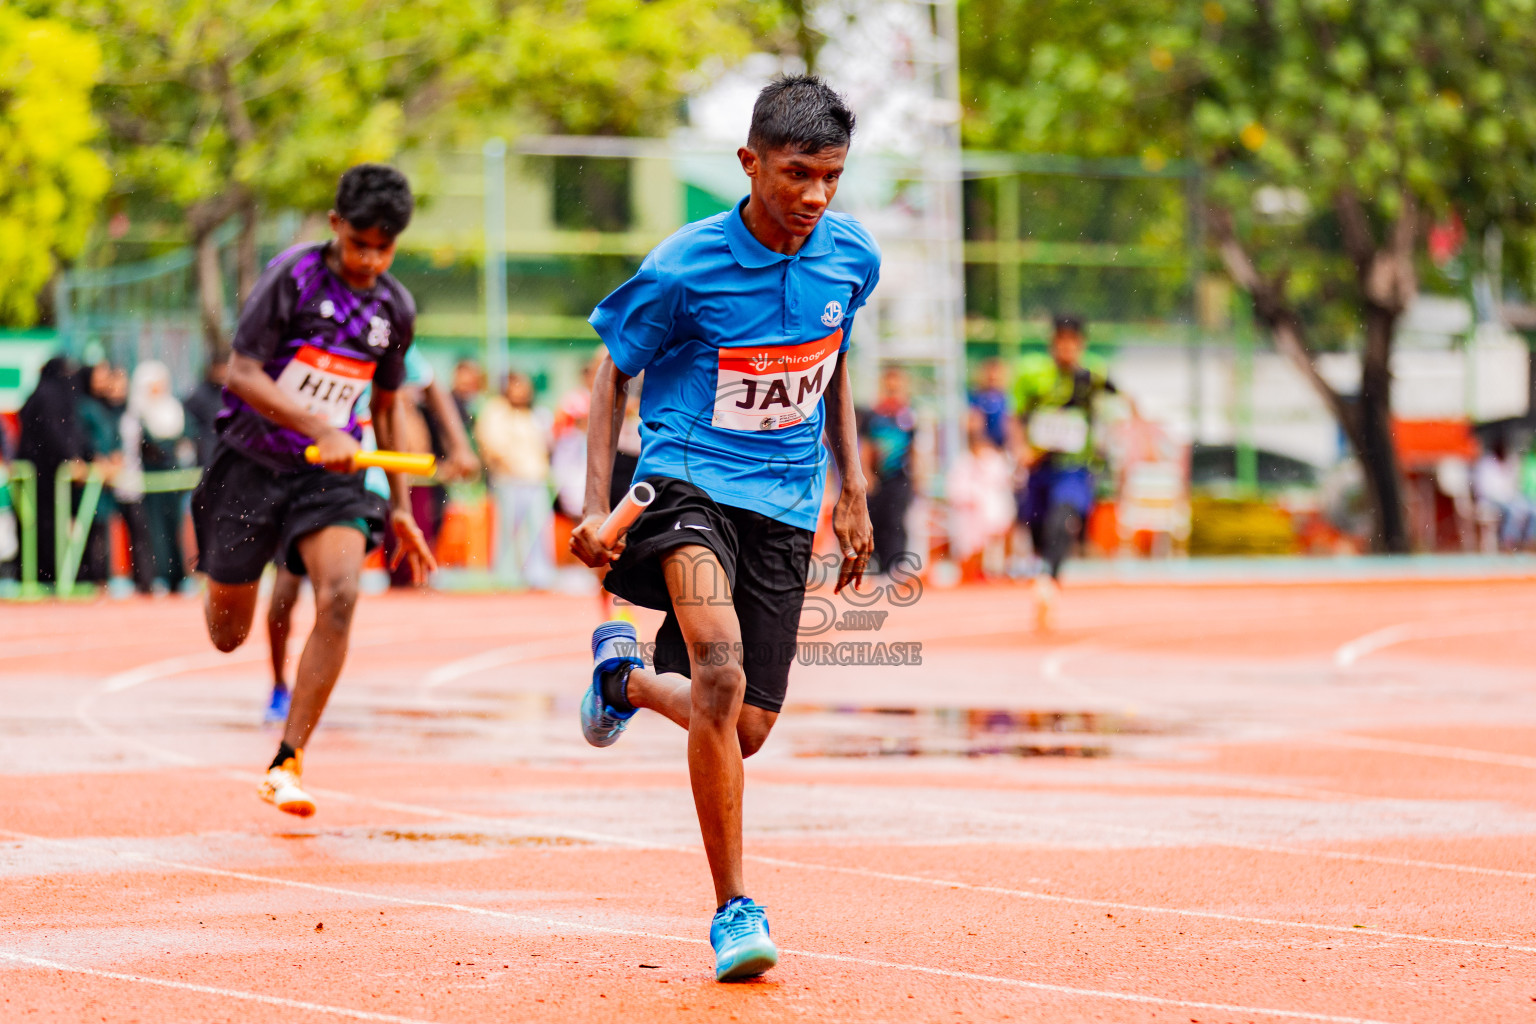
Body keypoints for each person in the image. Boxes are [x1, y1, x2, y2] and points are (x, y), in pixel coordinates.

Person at [570, 74, 878, 982]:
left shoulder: (850, 257)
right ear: (749, 164)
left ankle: (622, 680)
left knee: (741, 726)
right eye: (795, 174)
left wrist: (851, 487)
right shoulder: (682, 268)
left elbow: (834, 359)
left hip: (785, 505)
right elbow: (609, 374)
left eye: (831, 175)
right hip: (686, 487)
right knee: (717, 663)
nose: (815, 196)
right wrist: (594, 506)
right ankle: (734, 909)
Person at [190, 163, 436, 817]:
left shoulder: (393, 308)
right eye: (360, 244)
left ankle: (287, 760)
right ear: (335, 227)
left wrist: (403, 507)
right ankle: (242, 571)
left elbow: (387, 408)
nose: (371, 260)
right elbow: (241, 373)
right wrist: (315, 424)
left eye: (385, 248)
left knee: (343, 592)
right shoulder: (292, 278)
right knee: (226, 634)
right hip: (249, 464)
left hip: (330, 478)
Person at [263, 343, 476, 722]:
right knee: (285, 591)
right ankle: (280, 683)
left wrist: (460, 445)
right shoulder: (300, 324)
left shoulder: (380, 327)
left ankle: (307, 702)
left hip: (361, 479)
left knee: (336, 589)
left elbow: (430, 385)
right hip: (301, 475)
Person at [1016, 313, 1121, 623]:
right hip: (1039, 465)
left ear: (1081, 345)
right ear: (1052, 344)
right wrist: (1022, 448)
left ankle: (1048, 580)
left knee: (1063, 518)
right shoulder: (1031, 374)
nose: (1066, 350)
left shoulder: (1094, 375)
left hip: (1074, 467)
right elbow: (1016, 415)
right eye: (1060, 343)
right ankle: (1047, 572)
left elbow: (1122, 401)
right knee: (1036, 528)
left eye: (1072, 344)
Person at [117, 360, 193, 594]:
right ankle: (157, 575)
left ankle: (176, 577)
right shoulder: (137, 413)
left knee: (173, 529)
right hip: (150, 482)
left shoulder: (174, 408)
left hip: (172, 482)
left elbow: (187, 439)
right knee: (153, 531)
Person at [475, 370, 553, 588]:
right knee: (508, 530)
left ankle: (539, 575)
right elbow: (491, 444)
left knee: (538, 529)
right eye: (518, 385)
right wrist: (509, 466)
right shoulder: (496, 410)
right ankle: (505, 575)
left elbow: (544, 446)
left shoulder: (532, 414)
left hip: (535, 479)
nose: (522, 390)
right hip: (509, 480)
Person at [18, 356, 88, 584]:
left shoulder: (39, 394)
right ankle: (52, 576)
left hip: (38, 471)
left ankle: (39, 575)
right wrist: (70, 457)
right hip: (47, 474)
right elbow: (55, 432)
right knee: (48, 524)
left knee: (36, 526)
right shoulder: (53, 397)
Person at [858, 366, 917, 575]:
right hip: (877, 477)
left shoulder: (909, 414)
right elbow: (865, 446)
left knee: (896, 520)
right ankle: (879, 565)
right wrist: (865, 474)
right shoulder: (874, 415)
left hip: (900, 476)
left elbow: (915, 449)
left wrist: (918, 479)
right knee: (877, 519)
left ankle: (896, 565)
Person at [183, 355, 229, 468]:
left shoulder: (230, 393)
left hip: (226, 449)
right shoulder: (200, 395)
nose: (222, 373)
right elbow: (189, 422)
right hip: (207, 452)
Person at [968, 357, 1011, 450]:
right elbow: (973, 424)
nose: (993, 383)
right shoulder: (975, 398)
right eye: (990, 379)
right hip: (981, 446)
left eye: (996, 379)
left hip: (1001, 447)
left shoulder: (1005, 398)